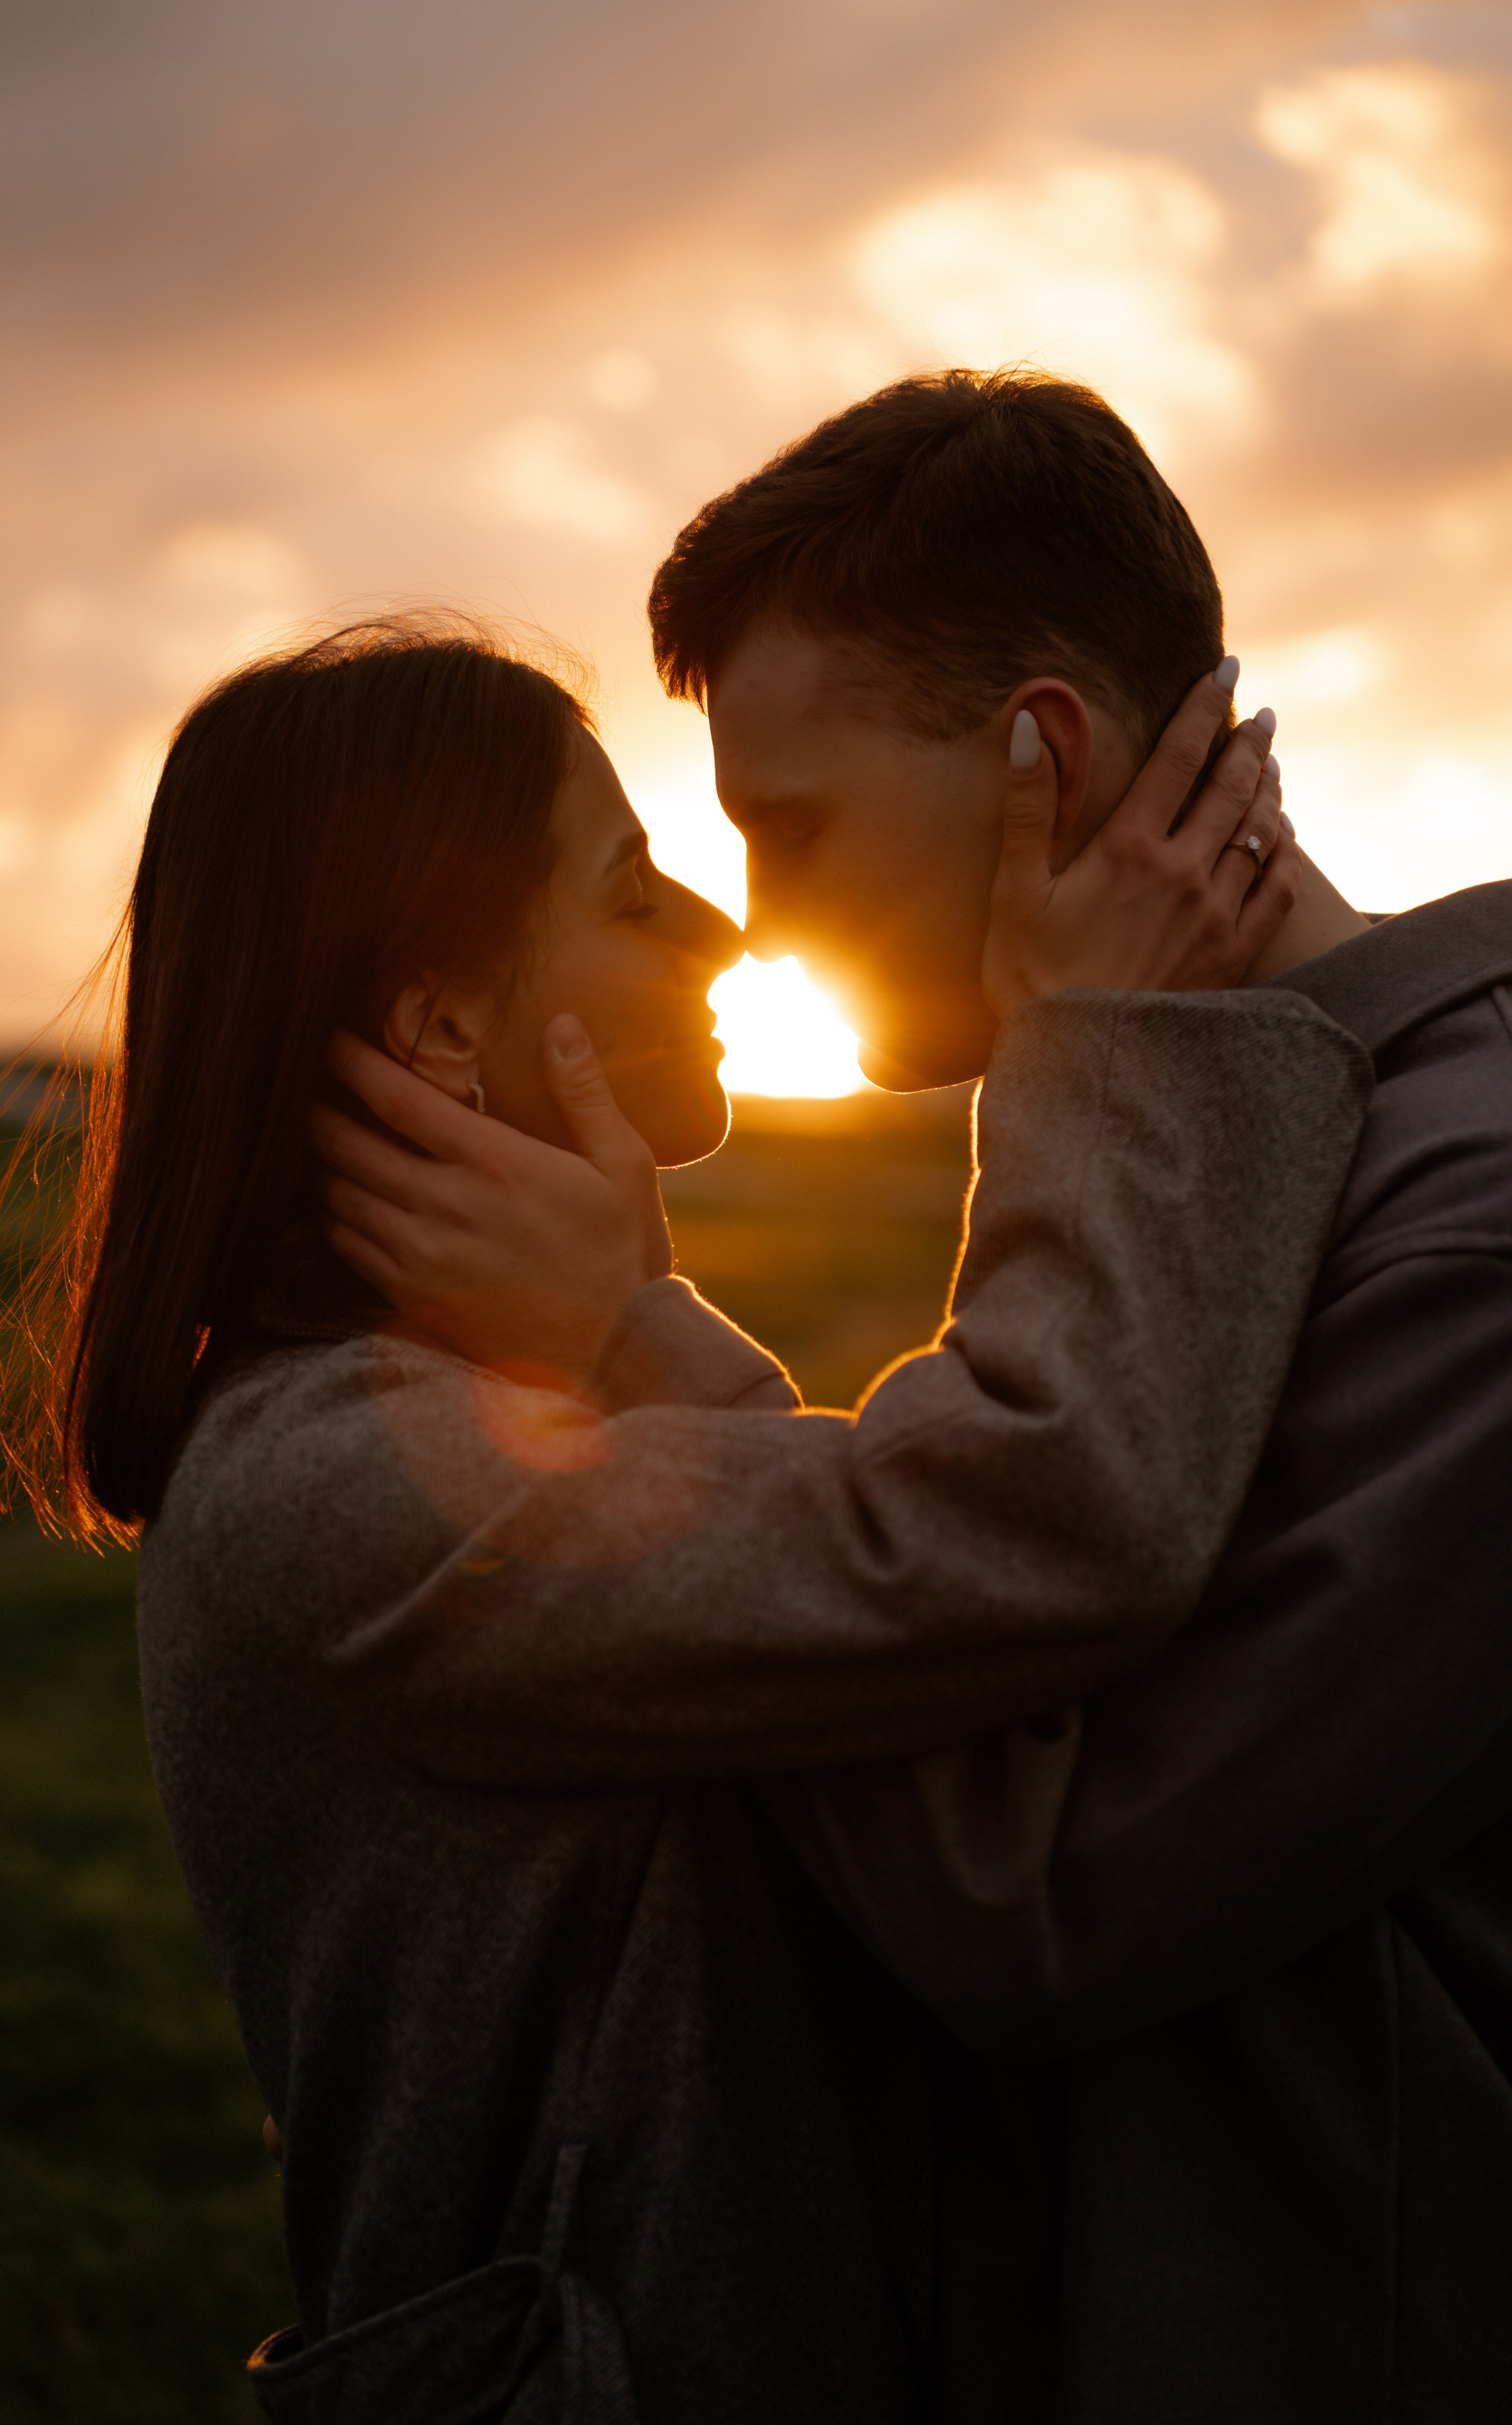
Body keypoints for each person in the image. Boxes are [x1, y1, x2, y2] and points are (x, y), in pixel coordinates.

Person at [0, 592, 1368, 2422]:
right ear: (444, 1029)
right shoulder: (342, 1491)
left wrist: (626, 1325)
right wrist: (1118, 1035)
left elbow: (858, 1610)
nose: (716, 932)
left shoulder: (464, 1418)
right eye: (629, 892)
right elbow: (1027, 1530)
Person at [319, 373, 1512, 2419]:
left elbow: (1046, 1888)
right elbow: (993, 1621)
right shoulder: (1175, 1143)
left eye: (793, 826)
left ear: (1040, 750)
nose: (759, 925)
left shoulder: (1471, 1212)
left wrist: (644, 1355)